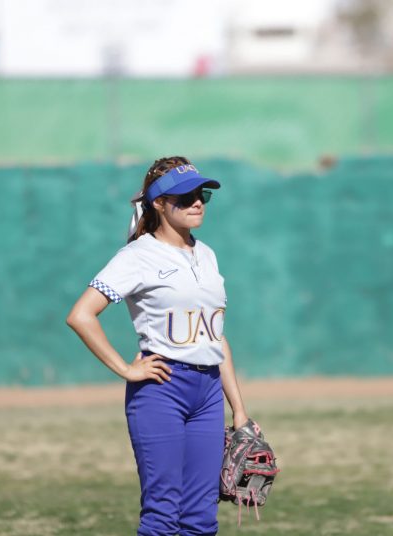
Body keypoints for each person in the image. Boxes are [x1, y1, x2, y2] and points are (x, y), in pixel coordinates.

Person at [66, 156, 249, 536]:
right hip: (162, 389)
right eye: (185, 196)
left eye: (202, 195)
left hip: (208, 393)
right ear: (159, 203)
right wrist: (127, 369)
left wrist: (239, 411)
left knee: (201, 519)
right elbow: (81, 315)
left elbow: (216, 335)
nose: (196, 202)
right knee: (162, 515)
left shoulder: (206, 254)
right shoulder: (138, 256)